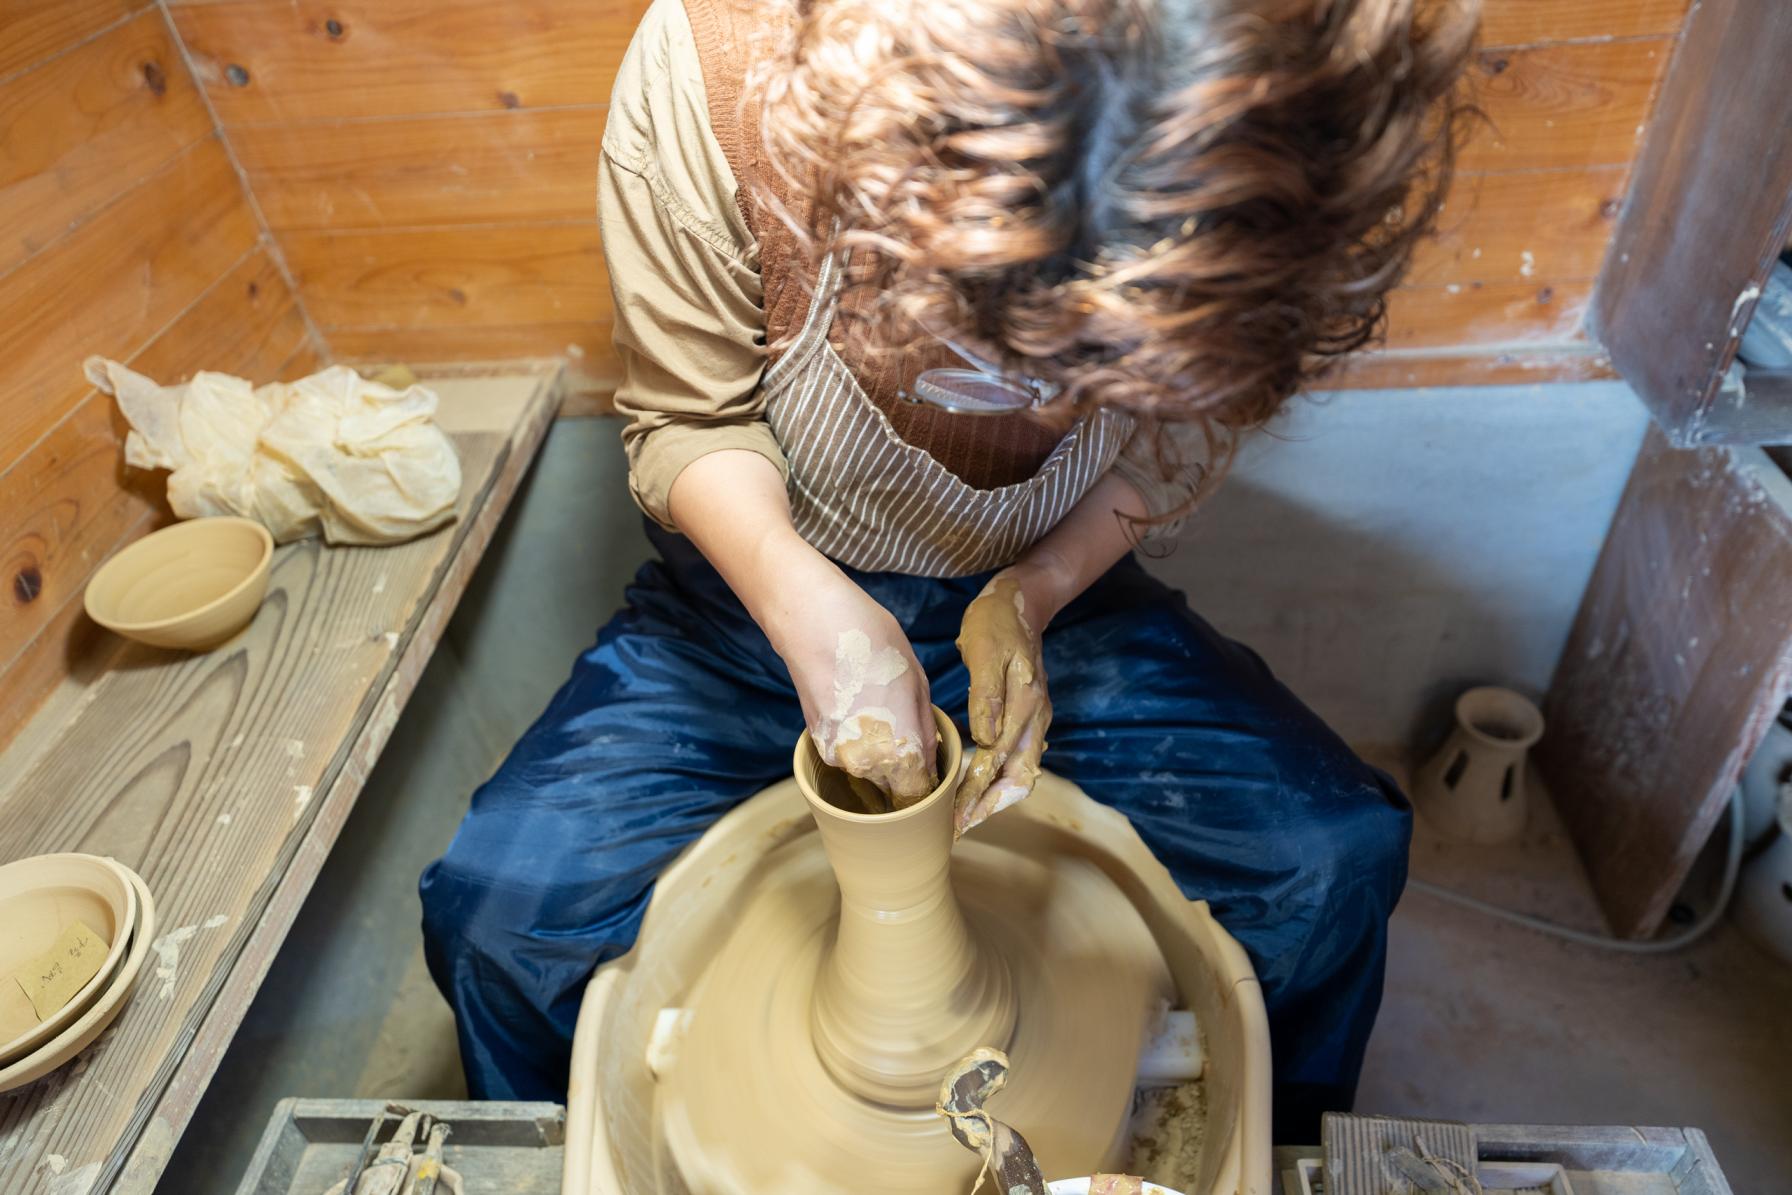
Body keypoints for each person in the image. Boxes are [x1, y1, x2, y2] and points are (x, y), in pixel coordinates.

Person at [421, 0, 1476, 1141]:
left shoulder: (1280, 118)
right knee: (500, 911)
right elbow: (688, 418)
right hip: (751, 598)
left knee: (1332, 862)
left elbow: (1172, 437)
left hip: (1050, 599)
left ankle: (1268, 1154)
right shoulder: (716, 73)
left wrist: (1029, 596)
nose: (1067, 409)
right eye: (1035, 360)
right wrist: (810, 611)